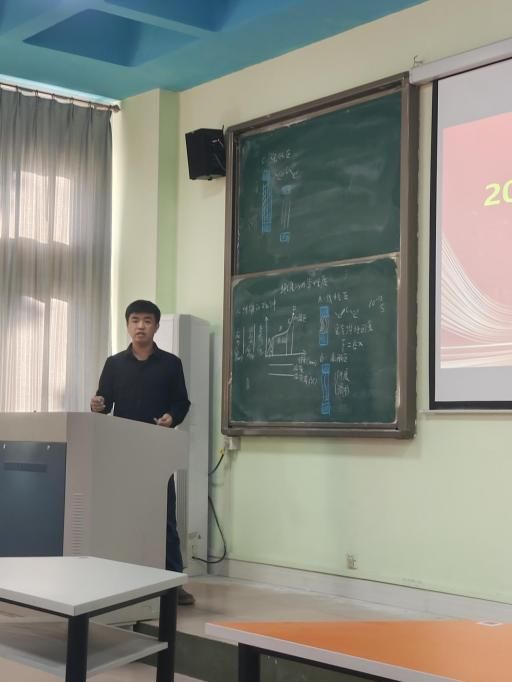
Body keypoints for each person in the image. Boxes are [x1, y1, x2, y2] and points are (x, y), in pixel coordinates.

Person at [91, 299, 195, 606]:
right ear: (127, 325)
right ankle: (122, 578)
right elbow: (103, 403)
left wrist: (172, 417)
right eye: (135, 320)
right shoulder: (114, 364)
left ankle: (173, 582)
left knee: (164, 518)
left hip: (156, 451)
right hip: (122, 452)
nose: (141, 326)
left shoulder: (171, 364)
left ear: (156, 327)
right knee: (122, 517)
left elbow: (181, 402)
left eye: (147, 321)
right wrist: (96, 404)